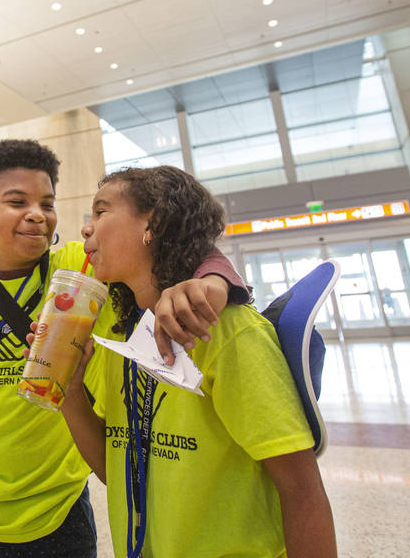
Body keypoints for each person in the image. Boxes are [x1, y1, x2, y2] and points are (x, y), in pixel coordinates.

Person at [0, 139, 249, 556]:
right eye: (17, 201)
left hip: (55, 516)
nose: (37, 214)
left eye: (47, 202)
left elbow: (182, 243)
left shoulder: (79, 264)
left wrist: (214, 281)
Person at [56, 166, 336, 557]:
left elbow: (301, 490)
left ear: (152, 223)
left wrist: (217, 279)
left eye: (100, 212)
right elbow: (117, 469)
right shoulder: (123, 333)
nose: (86, 229)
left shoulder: (227, 331)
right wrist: (69, 392)